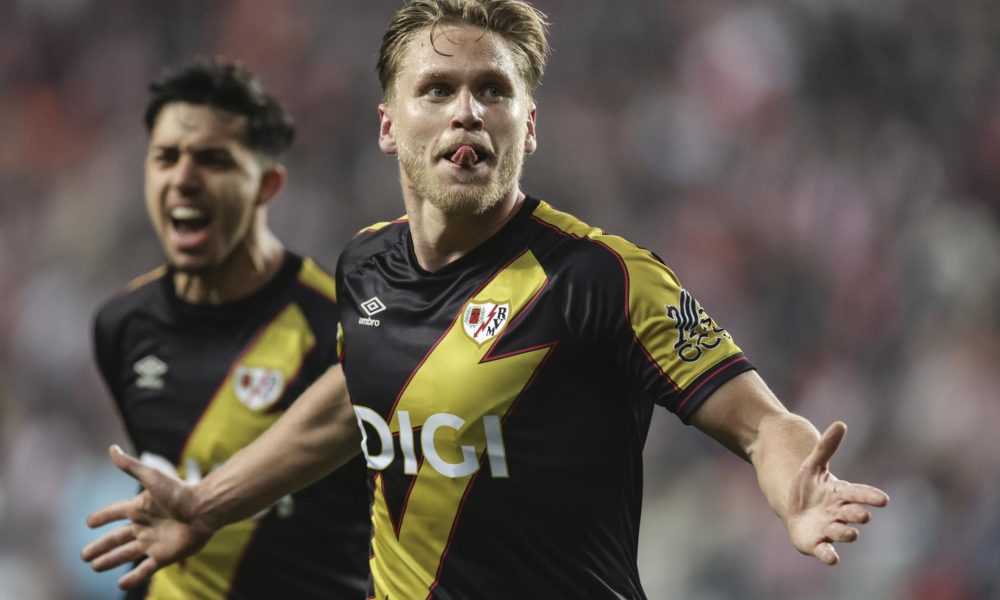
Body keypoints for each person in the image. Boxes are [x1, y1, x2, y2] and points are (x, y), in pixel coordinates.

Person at [83, 3, 890, 598]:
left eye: (492, 91)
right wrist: (210, 504)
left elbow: (761, 423)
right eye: (436, 88)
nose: (467, 109)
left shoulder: (602, 278)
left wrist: (796, 486)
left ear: (527, 125)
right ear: (389, 125)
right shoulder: (363, 264)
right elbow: (355, 397)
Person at [89, 58, 370, 599]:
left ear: (266, 184)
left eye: (213, 160)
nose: (184, 178)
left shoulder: (338, 325)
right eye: (166, 157)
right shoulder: (120, 325)